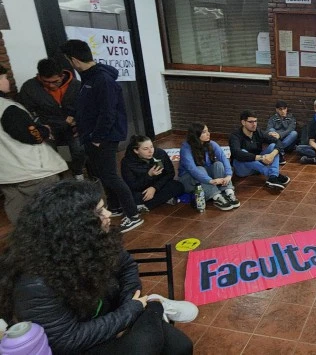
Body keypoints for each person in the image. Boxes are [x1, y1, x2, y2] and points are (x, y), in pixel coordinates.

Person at [0, 180, 197, 355]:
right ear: (74, 224)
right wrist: (130, 311)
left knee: (182, 346)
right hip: (80, 342)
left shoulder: (92, 240)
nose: (109, 214)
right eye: (100, 211)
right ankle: (155, 306)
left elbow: (127, 266)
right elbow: (67, 340)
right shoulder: (33, 284)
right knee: (145, 344)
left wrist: (128, 301)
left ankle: (152, 306)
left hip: (112, 314)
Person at [60, 39, 144, 232]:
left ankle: (133, 214)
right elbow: (86, 104)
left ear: (74, 60)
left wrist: (98, 137)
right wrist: (74, 117)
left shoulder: (103, 80)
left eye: (68, 60)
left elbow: (108, 113)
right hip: (90, 135)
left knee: (111, 176)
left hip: (103, 137)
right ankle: (115, 206)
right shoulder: (88, 78)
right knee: (100, 174)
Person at [0, 65, 67, 225]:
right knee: (53, 214)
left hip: (6, 174)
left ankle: (29, 246)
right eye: (3, 78)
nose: (7, 81)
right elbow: (31, 135)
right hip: (33, 171)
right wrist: (44, 130)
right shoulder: (7, 108)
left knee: (20, 217)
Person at [17, 58, 86, 180]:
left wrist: (79, 121)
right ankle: (67, 176)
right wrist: (42, 125)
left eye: (55, 82)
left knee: (78, 152)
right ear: (39, 76)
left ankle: (78, 174)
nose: (51, 85)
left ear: (62, 75)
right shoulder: (29, 88)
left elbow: (85, 107)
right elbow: (25, 113)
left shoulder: (76, 85)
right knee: (61, 155)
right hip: (51, 131)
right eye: (46, 82)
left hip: (74, 129)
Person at [178, 122, 238, 211]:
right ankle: (217, 197)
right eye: (204, 132)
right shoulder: (186, 148)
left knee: (218, 164)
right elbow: (192, 169)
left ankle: (228, 191)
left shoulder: (211, 144)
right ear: (196, 135)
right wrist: (210, 180)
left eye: (208, 131)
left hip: (207, 177)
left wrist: (228, 175)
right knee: (200, 169)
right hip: (189, 179)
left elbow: (224, 158)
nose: (208, 134)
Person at [229, 110, 290, 191]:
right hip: (242, 168)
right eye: (251, 122)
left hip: (257, 167)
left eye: (255, 121)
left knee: (273, 147)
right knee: (244, 152)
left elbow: (277, 141)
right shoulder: (235, 136)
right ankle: (273, 175)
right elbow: (237, 154)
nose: (254, 124)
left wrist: (272, 155)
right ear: (243, 122)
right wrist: (261, 157)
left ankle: (273, 177)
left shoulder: (257, 132)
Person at [121, 135, 184, 211]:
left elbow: (170, 173)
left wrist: (154, 188)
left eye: (151, 147)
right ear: (136, 150)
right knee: (130, 197)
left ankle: (144, 205)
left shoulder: (160, 153)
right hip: (141, 189)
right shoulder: (127, 162)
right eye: (145, 149)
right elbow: (133, 185)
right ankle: (160, 200)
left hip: (159, 186)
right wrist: (149, 175)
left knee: (178, 186)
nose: (150, 151)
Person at [266, 100, 298, 165]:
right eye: (280, 109)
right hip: (276, 139)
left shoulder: (291, 118)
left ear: (287, 109)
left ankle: (278, 150)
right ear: (277, 110)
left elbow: (290, 129)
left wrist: (279, 135)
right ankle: (280, 152)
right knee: (271, 130)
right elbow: (268, 129)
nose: (283, 111)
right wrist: (275, 134)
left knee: (294, 133)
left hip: (287, 142)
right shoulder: (273, 118)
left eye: (284, 109)